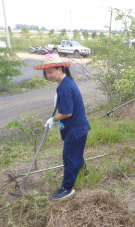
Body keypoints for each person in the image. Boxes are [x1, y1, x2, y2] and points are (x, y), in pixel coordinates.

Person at [34, 54, 91, 200]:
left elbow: (66, 113)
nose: (49, 76)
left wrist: (53, 119)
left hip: (75, 129)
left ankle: (67, 188)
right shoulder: (65, 83)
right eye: (46, 73)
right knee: (75, 153)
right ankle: (84, 172)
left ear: (60, 69)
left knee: (69, 157)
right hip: (77, 128)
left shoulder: (65, 88)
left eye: (51, 72)